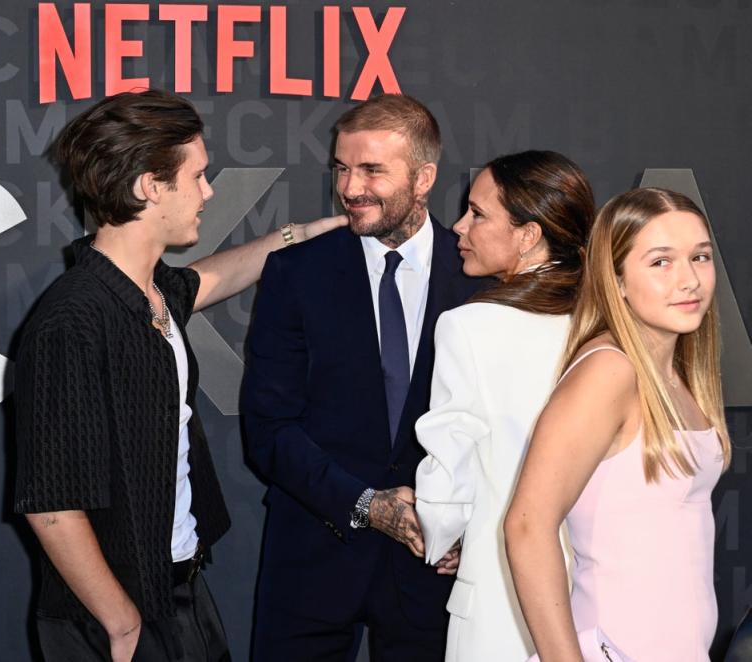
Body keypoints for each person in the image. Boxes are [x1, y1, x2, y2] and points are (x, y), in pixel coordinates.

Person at [12, 89, 344, 662]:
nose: (208, 191)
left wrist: (297, 238)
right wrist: (119, 622)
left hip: (179, 588)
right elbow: (52, 507)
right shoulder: (72, 322)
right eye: (197, 176)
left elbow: (211, 278)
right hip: (113, 615)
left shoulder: (153, 290)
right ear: (149, 185)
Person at [241, 93, 482, 661]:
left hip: (437, 569)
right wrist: (367, 504)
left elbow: (508, 433)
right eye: (342, 168)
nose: (351, 188)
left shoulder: (479, 278)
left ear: (423, 178)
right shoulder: (296, 272)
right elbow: (268, 428)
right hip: (312, 558)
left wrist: (470, 530)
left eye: (372, 170)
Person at [504, 187, 732, 661]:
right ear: (617, 279)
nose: (688, 280)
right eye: (661, 262)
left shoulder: (676, 373)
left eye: (700, 257)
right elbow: (527, 525)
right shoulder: (610, 371)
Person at [413, 150, 595, 661]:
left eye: (478, 213)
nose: (458, 226)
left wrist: (438, 534)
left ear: (528, 234)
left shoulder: (470, 327)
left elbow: (447, 486)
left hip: (503, 597)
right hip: (599, 594)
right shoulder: (611, 321)